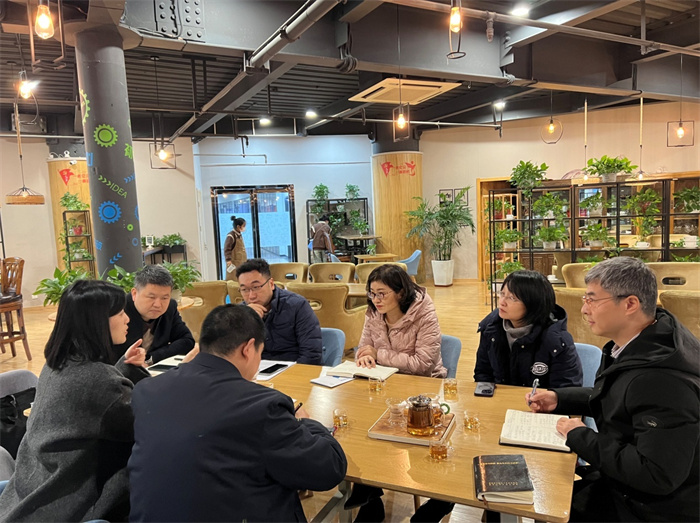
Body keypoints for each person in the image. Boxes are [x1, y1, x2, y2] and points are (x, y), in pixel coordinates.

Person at [128, 304, 347, 522]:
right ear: (248, 348)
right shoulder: (261, 407)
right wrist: (305, 422)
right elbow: (329, 469)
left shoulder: (146, 390)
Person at [527, 257, 699, 522]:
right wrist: (558, 398)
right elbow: (618, 395)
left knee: (542, 499)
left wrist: (579, 435)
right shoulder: (646, 340)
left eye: (592, 300)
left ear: (630, 304)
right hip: (626, 485)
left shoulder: (661, 378)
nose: (584, 310)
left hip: (651, 508)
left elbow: (656, 475)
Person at [0, 280, 149, 522]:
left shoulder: (57, 363)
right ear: (97, 322)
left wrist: (124, 368)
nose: (127, 319)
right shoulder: (97, 380)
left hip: (31, 493)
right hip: (71, 503)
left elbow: (96, 402)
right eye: (120, 313)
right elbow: (145, 424)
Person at [351, 264, 447, 522]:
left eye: (382, 293)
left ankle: (373, 495)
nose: (376, 299)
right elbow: (363, 348)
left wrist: (378, 355)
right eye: (372, 293)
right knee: (359, 428)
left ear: (401, 292)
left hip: (422, 389)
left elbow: (422, 364)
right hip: (384, 383)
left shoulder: (424, 311)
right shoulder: (374, 312)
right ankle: (371, 497)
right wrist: (365, 356)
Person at [474, 270, 582, 388]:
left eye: (512, 298)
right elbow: (483, 374)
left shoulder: (557, 340)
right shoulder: (491, 327)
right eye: (502, 294)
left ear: (533, 304)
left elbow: (566, 390)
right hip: (500, 398)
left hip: (538, 399)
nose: (502, 302)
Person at [236, 258, 322, 364]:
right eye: (244, 289)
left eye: (256, 287)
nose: (251, 296)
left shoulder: (297, 305)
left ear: (271, 284)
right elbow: (231, 354)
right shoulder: (240, 313)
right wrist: (246, 321)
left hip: (293, 367)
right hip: (257, 370)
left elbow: (311, 354)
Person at [113, 264, 195, 366]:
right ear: (134, 294)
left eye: (164, 298)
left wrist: (152, 358)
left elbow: (187, 341)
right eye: (151, 297)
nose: (158, 305)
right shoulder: (118, 311)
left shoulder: (170, 308)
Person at [224, 215, 247, 280]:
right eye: (243, 226)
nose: (244, 228)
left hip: (241, 262)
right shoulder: (231, 236)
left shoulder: (239, 235)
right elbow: (227, 249)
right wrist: (228, 260)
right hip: (234, 263)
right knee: (233, 279)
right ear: (238, 227)